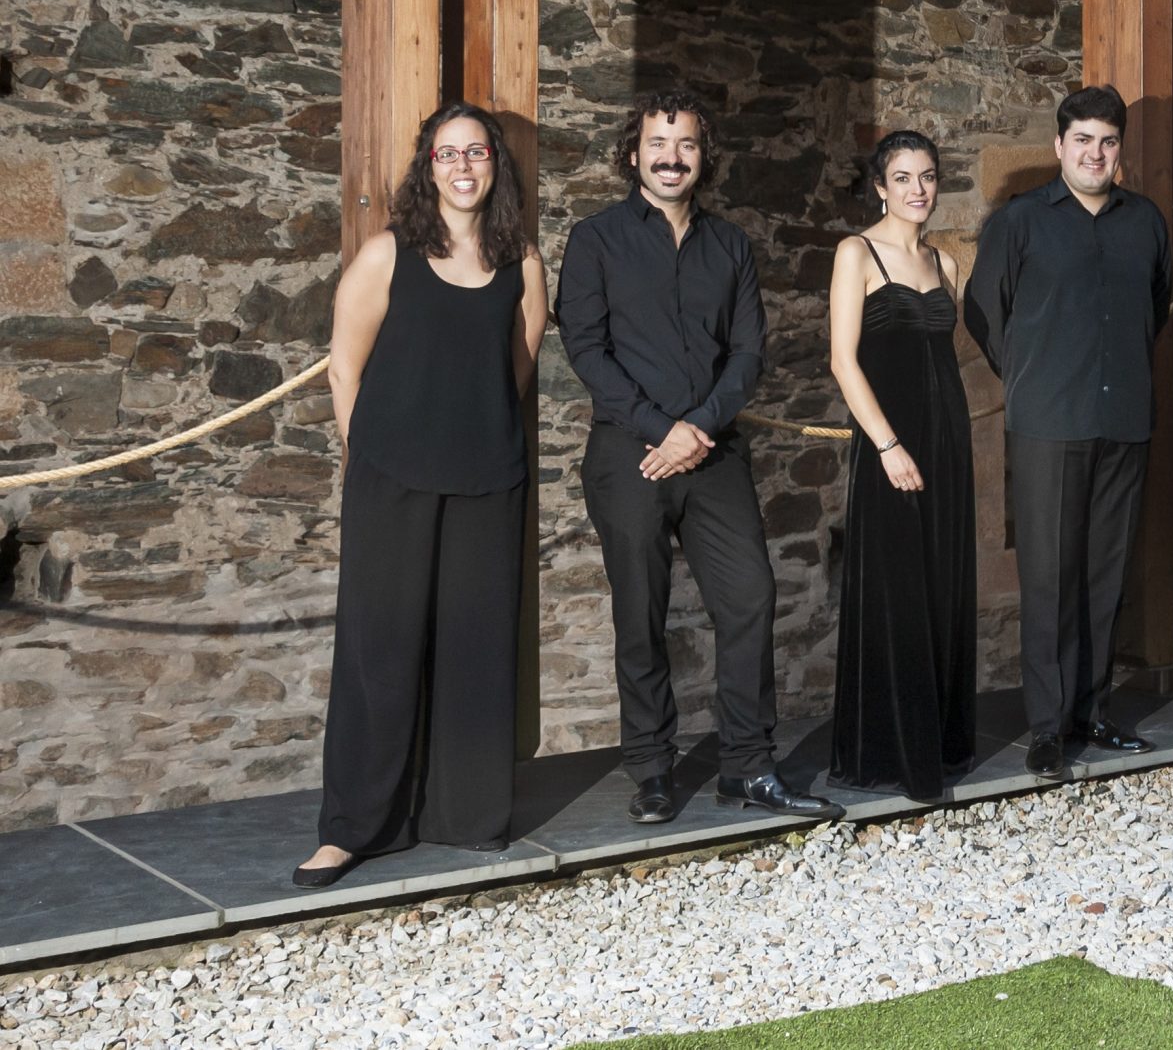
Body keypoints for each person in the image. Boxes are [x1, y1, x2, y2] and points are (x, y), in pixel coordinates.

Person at [557, 90, 837, 825]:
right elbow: (586, 347)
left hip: (712, 451)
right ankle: (651, 767)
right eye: (658, 142)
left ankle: (748, 763)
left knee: (750, 594)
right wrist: (661, 429)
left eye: (684, 144)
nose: (671, 156)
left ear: (702, 157)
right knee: (641, 612)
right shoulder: (596, 239)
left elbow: (748, 354)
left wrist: (698, 427)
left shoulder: (730, 246)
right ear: (633, 153)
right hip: (630, 452)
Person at [295, 102, 547, 888]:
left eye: (477, 152)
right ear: (427, 167)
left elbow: (518, 364)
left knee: (476, 649)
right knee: (381, 649)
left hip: (487, 479)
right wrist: (367, 458)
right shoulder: (387, 253)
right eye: (448, 155)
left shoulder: (524, 262)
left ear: (495, 165)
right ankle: (353, 827)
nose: (464, 167)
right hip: (390, 480)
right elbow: (345, 368)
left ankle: (464, 815)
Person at [965, 86, 1172, 782]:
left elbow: (1154, 308)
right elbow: (982, 308)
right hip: (1048, 421)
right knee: (1051, 576)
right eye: (1083, 139)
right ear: (1059, 147)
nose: (1095, 152)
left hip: (1123, 419)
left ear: (1120, 150)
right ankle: (1048, 727)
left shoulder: (1145, 222)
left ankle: (1091, 710)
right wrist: (1028, 373)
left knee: (1106, 575)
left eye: (1108, 141)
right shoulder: (1019, 222)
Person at [827, 130, 975, 801]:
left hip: (947, 444)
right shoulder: (855, 252)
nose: (919, 188)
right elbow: (843, 360)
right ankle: (896, 752)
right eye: (904, 177)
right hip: (891, 446)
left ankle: (940, 743)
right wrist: (887, 445)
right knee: (897, 591)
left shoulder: (945, 263)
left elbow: (947, 359)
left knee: (943, 585)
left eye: (928, 176)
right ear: (881, 186)